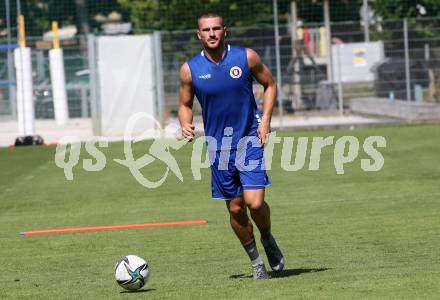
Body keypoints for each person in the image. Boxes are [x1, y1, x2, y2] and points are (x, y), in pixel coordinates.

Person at [178, 11, 284, 280]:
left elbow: (270, 85)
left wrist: (266, 120)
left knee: (255, 202)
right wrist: (185, 123)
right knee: (236, 208)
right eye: (206, 30)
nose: (211, 34)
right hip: (218, 147)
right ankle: (256, 262)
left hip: (250, 137)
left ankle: (268, 237)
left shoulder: (246, 57)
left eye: (216, 29)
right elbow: (184, 104)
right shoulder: (190, 69)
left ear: (225, 31)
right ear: (198, 35)